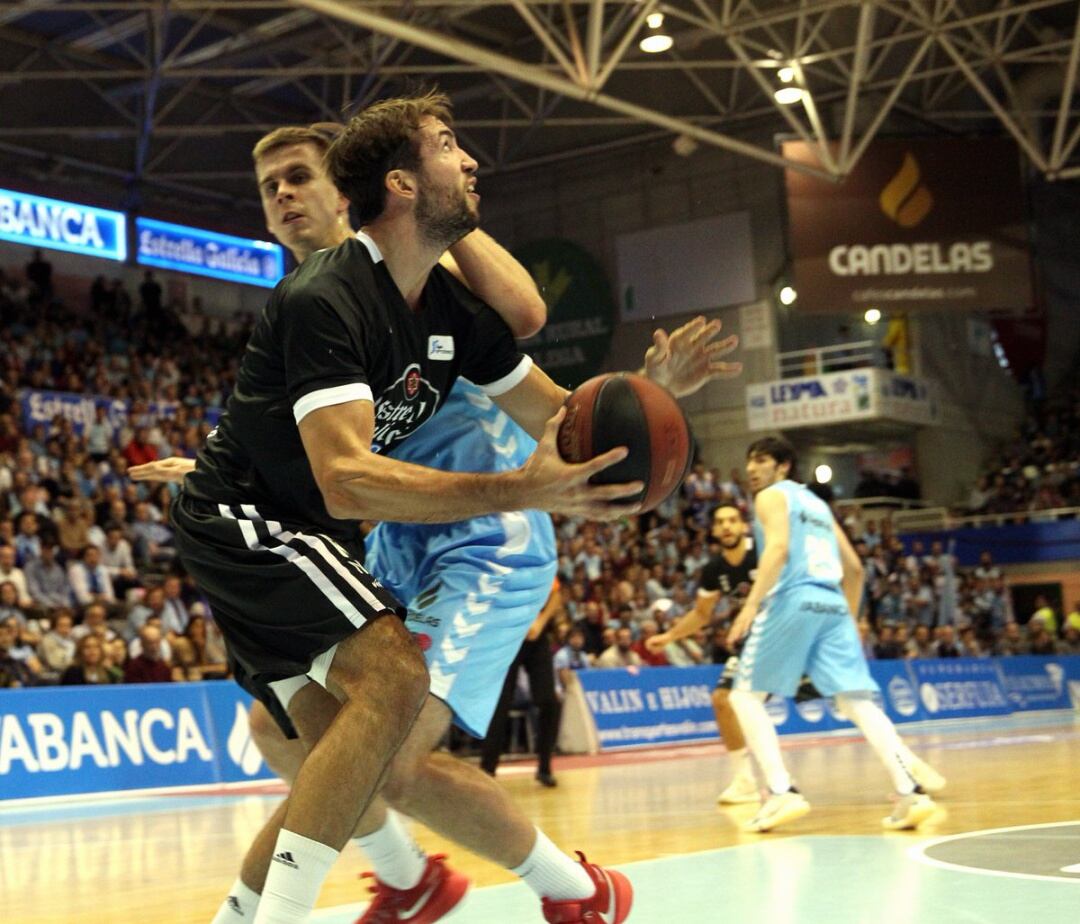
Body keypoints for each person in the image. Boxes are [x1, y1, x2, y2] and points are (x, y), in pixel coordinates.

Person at [139, 93, 737, 924]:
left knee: (380, 735)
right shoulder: (321, 297)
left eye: (299, 176)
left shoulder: (443, 288)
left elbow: (544, 374)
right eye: (451, 147)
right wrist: (213, 466)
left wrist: (644, 399)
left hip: (479, 536)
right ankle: (443, 885)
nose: (282, 196)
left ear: (343, 190)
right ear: (400, 184)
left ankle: (518, 891)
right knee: (314, 736)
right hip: (374, 523)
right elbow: (339, 469)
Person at [725, 436, 944, 833]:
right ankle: (910, 791)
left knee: (744, 695)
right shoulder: (819, 506)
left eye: (762, 460)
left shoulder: (771, 497)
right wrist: (852, 618)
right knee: (857, 701)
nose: (753, 468)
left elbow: (776, 551)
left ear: (783, 467)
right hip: (834, 604)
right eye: (750, 461)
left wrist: (751, 605)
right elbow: (856, 568)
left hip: (793, 598)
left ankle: (779, 791)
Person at [646, 503, 759, 805]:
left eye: (733, 520)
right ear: (713, 530)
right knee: (723, 701)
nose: (726, 526)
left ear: (744, 526)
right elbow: (701, 613)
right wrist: (669, 636)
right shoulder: (713, 569)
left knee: (845, 696)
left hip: (791, 633)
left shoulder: (763, 551)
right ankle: (746, 781)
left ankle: (899, 763)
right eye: (720, 522)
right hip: (753, 641)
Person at [481, 579, 564, 787]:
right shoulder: (498, 562)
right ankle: (487, 771)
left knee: (549, 702)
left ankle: (545, 768)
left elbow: (556, 595)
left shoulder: (536, 555)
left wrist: (540, 622)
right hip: (506, 637)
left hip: (536, 637)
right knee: (500, 705)